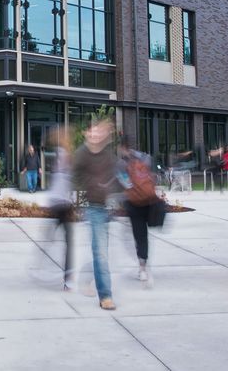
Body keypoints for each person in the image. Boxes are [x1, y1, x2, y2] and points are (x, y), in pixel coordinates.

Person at [73, 117, 118, 311]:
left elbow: (116, 177)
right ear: (87, 134)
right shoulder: (81, 154)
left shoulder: (108, 155)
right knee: (101, 253)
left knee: (101, 251)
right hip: (93, 208)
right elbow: (73, 176)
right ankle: (106, 295)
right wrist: (90, 185)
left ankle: (86, 277)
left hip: (108, 207)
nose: (95, 135)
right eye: (92, 132)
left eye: (99, 131)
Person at [118, 140, 158, 286]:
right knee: (144, 236)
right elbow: (154, 176)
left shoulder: (122, 164)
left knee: (139, 235)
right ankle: (144, 263)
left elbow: (124, 183)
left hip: (134, 203)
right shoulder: (146, 158)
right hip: (149, 201)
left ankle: (142, 268)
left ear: (122, 148)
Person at [45, 127, 76, 290]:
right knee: (68, 241)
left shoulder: (60, 154)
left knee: (55, 237)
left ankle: (66, 276)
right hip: (61, 203)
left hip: (59, 202)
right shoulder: (63, 154)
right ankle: (68, 277)